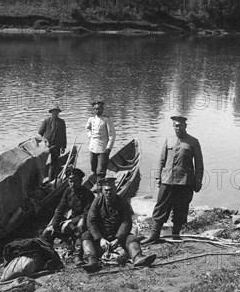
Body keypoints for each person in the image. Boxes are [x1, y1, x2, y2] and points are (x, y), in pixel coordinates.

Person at [143, 116, 204, 244]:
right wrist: (158, 177)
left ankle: (175, 235)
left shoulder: (193, 142)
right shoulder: (168, 140)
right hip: (167, 180)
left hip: (185, 182)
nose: (178, 128)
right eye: (175, 125)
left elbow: (199, 164)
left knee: (181, 208)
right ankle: (154, 235)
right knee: (160, 207)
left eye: (180, 125)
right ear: (173, 126)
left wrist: (198, 181)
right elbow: (161, 160)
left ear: (185, 126)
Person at [81, 178, 156, 272]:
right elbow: (91, 222)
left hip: (118, 236)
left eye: (111, 189)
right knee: (86, 235)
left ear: (116, 189)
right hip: (102, 236)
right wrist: (100, 239)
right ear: (102, 191)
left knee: (131, 238)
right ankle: (92, 260)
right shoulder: (97, 202)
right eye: (106, 190)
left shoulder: (123, 202)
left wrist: (118, 238)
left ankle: (138, 258)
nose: (109, 192)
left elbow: (126, 222)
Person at [41, 168, 95, 266]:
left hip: (84, 221)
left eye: (75, 181)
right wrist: (53, 224)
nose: (72, 184)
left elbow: (88, 214)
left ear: (81, 181)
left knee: (79, 232)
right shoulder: (68, 191)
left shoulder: (88, 194)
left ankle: (77, 256)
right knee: (48, 232)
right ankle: (47, 256)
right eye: (70, 181)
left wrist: (72, 221)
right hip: (71, 221)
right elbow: (60, 209)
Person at [85, 101, 116, 179]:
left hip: (103, 148)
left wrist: (109, 148)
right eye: (96, 109)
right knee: (93, 168)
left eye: (99, 109)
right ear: (94, 110)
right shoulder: (91, 119)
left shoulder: (106, 119)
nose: (97, 110)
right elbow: (87, 128)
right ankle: (95, 183)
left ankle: (100, 188)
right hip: (92, 147)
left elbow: (112, 135)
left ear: (103, 109)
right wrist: (90, 136)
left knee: (101, 170)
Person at [38, 105, 67, 181]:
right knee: (42, 163)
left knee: (54, 163)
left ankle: (51, 179)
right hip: (46, 146)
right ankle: (41, 178)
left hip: (56, 146)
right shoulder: (47, 121)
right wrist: (38, 143)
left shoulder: (61, 122)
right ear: (51, 112)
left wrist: (63, 146)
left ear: (58, 113)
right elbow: (40, 133)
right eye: (54, 111)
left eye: (56, 112)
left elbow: (64, 135)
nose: (55, 113)